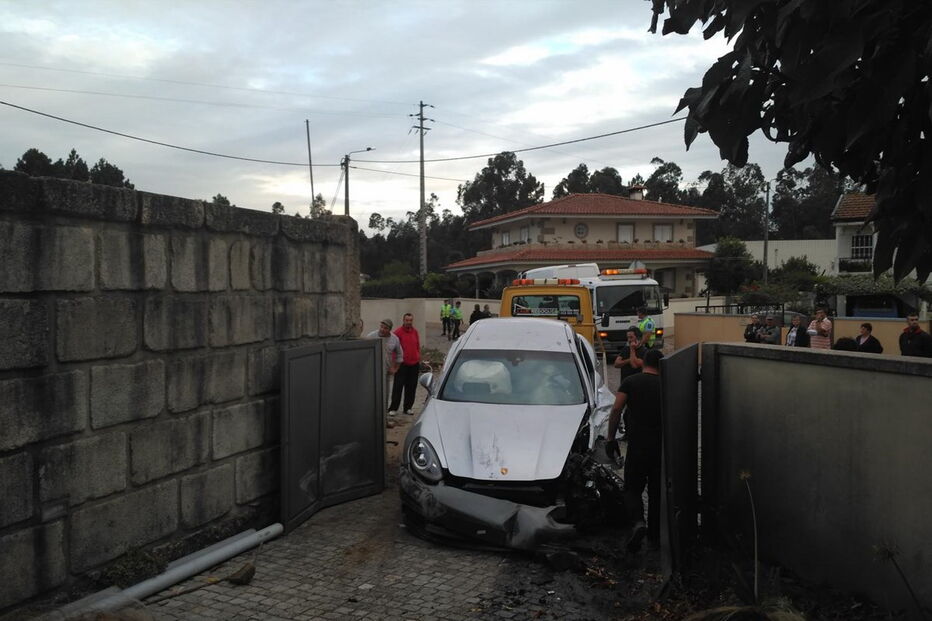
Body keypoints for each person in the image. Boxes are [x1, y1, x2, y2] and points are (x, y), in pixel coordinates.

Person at [606, 349, 664, 553]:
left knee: (632, 488)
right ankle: (656, 535)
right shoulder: (667, 385)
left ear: (644, 362)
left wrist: (611, 438)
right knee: (657, 491)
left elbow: (616, 410)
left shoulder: (631, 382)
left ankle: (638, 522)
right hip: (661, 448)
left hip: (638, 446)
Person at [366, 319, 404, 427]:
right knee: (372, 396)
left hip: (385, 373)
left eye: (385, 328)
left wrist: (395, 369)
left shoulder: (394, 339)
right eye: (381, 326)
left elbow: (400, 355)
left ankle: (384, 421)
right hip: (372, 373)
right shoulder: (371, 336)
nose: (382, 329)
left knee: (385, 396)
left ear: (389, 330)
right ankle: (371, 421)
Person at [613, 326, 646, 441]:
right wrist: (627, 359)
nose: (629, 340)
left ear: (638, 338)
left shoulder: (644, 351)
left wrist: (632, 351)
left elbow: (635, 364)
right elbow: (616, 364)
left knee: (633, 412)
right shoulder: (625, 350)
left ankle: (634, 434)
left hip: (637, 387)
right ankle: (626, 434)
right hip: (625, 385)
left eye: (631, 337)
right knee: (619, 410)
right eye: (628, 338)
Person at [389, 313, 421, 416]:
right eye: (407, 320)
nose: (409, 322)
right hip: (402, 364)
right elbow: (393, 349)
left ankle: (408, 407)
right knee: (398, 386)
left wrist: (418, 356)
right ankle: (393, 408)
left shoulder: (415, 332)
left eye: (410, 320)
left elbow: (417, 345)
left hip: (414, 364)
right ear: (403, 320)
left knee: (411, 386)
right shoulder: (398, 332)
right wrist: (394, 363)